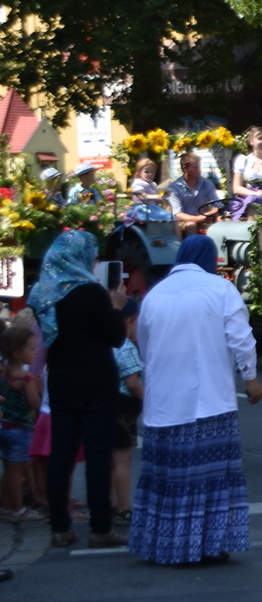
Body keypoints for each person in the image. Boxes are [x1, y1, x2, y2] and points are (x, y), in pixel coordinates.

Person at [130, 235, 262, 564]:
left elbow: (145, 349)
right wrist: (251, 379)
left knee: (168, 479)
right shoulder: (220, 289)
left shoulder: (155, 294)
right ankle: (209, 544)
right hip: (209, 404)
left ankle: (164, 545)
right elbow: (241, 338)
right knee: (211, 479)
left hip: (163, 407)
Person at [29, 231, 128, 549]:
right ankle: (101, 528)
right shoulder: (92, 292)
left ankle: (60, 527)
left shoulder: (45, 293)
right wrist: (116, 307)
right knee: (99, 455)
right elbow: (115, 337)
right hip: (96, 381)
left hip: (61, 379)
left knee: (61, 454)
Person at [0, 314, 43, 523]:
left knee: (8, 470)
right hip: (20, 430)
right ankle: (18, 509)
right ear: (18, 353)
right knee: (17, 473)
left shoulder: (4, 372)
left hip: (4, 426)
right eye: (32, 349)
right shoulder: (25, 377)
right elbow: (33, 403)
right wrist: (37, 386)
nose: (35, 353)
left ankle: (6, 504)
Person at [112, 298, 144, 523]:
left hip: (102, 403)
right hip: (123, 408)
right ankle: (124, 506)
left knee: (105, 459)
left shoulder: (104, 342)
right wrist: (149, 400)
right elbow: (132, 382)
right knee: (123, 459)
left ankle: (108, 504)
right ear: (130, 320)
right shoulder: (126, 346)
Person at [165, 150, 220, 236]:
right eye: (195, 168)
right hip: (182, 223)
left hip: (204, 219)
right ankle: (194, 248)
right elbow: (178, 214)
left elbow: (217, 206)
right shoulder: (174, 188)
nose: (199, 171)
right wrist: (198, 218)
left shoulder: (207, 183)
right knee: (191, 225)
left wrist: (207, 215)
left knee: (223, 221)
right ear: (185, 168)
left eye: (199, 167)